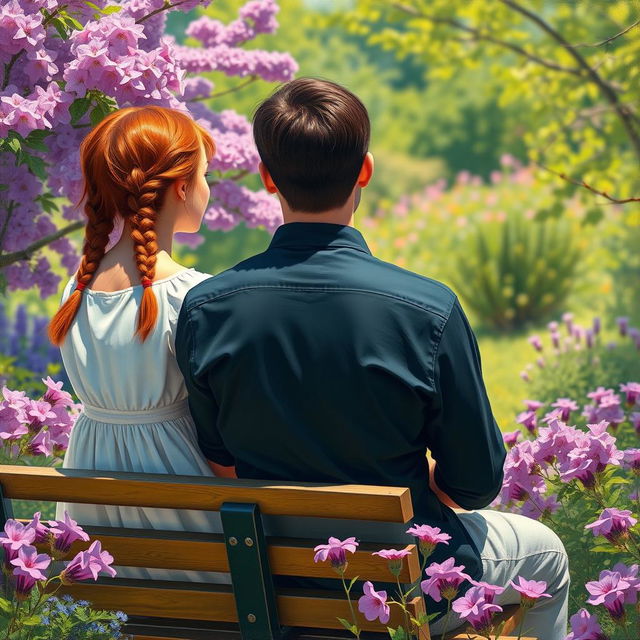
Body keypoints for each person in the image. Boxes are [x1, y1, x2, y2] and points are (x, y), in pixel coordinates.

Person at [175, 77, 570, 638]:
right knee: (546, 553)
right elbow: (477, 482)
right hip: (404, 586)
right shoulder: (427, 309)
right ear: (365, 170)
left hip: (270, 587)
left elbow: (224, 461)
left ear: (266, 178)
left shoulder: (206, 308)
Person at [48, 105, 231, 583]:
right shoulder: (195, 295)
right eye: (205, 175)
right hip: (181, 508)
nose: (209, 190)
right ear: (182, 186)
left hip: (92, 504)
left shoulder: (76, 290)